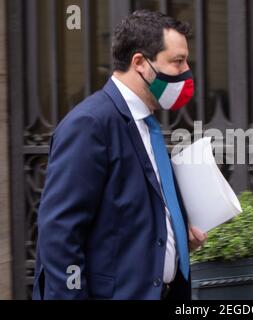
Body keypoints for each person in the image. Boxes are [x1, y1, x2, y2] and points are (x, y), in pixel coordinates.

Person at [32, 10, 207, 300]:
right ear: (140, 63)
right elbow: (60, 234)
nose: (186, 71)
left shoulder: (146, 123)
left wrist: (177, 236)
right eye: (178, 61)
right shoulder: (90, 124)